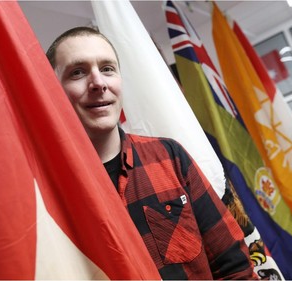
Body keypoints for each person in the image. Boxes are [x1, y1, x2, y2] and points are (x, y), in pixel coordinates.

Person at [46, 26, 257, 280]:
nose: (98, 83)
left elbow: (234, 265)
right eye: (77, 72)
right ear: (52, 89)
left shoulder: (169, 156)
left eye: (107, 69)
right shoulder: (44, 191)